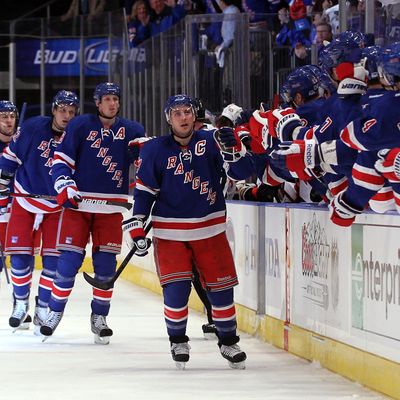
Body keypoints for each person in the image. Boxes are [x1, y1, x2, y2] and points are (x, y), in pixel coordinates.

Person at [124, 94, 246, 369]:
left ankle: (228, 342)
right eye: (176, 113)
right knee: (176, 292)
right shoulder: (155, 150)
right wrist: (137, 224)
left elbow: (242, 170)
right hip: (170, 234)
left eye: (187, 112)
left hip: (210, 229)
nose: (183, 117)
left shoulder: (213, 140)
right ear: (169, 118)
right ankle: (177, 339)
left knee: (221, 292)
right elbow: (144, 192)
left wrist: (235, 152)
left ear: (194, 116)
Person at [40, 82, 146, 344]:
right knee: (66, 264)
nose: (112, 103)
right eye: (107, 99)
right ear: (97, 103)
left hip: (111, 207)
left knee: (105, 268)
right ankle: (54, 312)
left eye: (116, 99)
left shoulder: (132, 130)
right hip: (79, 205)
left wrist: (149, 159)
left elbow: (144, 165)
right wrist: (65, 184)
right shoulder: (80, 125)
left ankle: (99, 317)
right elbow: (61, 160)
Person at [0, 91, 79, 333]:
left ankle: (43, 307)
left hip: (56, 205)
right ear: (54, 109)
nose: (66, 116)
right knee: (21, 256)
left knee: (53, 261)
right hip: (25, 198)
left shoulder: (77, 135)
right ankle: (21, 303)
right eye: (62, 110)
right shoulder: (34, 127)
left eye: (71, 112)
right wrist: (3, 188)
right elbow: (10, 159)